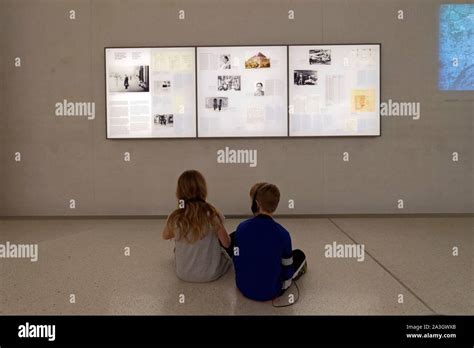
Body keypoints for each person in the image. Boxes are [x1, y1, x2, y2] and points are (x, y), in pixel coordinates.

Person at [232, 183, 307, 301]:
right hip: (272, 291)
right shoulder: (283, 234)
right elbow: (287, 269)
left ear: (256, 204)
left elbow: (236, 256)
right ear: (275, 206)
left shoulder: (241, 227)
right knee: (299, 254)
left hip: (242, 286)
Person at [162, 170, 232, 282]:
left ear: (179, 191)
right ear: (203, 189)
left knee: (176, 249)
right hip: (211, 274)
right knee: (225, 254)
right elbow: (227, 243)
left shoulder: (177, 216)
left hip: (183, 274)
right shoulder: (212, 213)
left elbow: (165, 236)